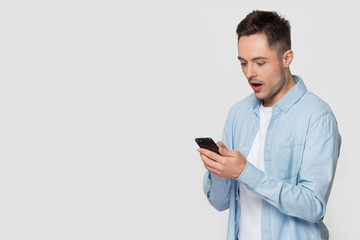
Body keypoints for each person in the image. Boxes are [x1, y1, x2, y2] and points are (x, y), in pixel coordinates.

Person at [197, 10, 341, 240]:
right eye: (243, 63)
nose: (249, 73)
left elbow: (313, 206)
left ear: (287, 58)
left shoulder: (317, 117)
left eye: (260, 62)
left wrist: (246, 172)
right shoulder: (238, 114)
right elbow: (220, 202)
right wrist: (219, 171)